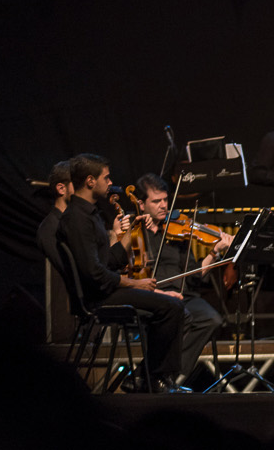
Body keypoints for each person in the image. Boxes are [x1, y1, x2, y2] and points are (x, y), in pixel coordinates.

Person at [56, 153, 190, 393]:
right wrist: (134, 284)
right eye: (106, 178)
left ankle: (149, 378)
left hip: (106, 289)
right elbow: (93, 273)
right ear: (89, 181)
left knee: (171, 305)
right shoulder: (76, 219)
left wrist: (133, 231)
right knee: (171, 307)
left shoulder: (90, 214)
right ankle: (154, 379)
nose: (110, 183)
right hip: (99, 297)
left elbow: (109, 260)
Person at [132, 173, 235, 383]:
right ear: (141, 205)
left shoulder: (178, 230)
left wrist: (214, 252)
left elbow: (196, 275)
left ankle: (165, 375)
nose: (163, 206)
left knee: (211, 318)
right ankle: (156, 376)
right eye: (156, 201)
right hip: (155, 296)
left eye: (165, 200)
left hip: (183, 295)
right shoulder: (134, 233)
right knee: (181, 314)